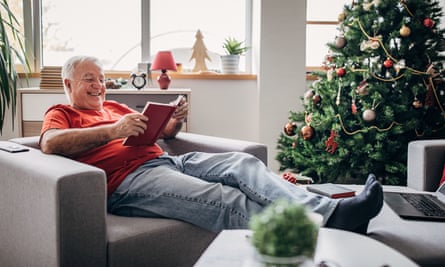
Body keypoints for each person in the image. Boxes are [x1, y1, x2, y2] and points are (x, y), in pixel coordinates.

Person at [40, 55, 383, 234]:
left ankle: (330, 213)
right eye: (90, 80)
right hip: (129, 182)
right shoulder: (60, 113)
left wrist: (172, 121)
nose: (99, 86)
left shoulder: (115, 107)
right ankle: (325, 226)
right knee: (224, 198)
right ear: (69, 83)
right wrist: (112, 132)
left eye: (101, 79)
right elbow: (51, 144)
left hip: (168, 161)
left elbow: (159, 135)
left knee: (242, 164)